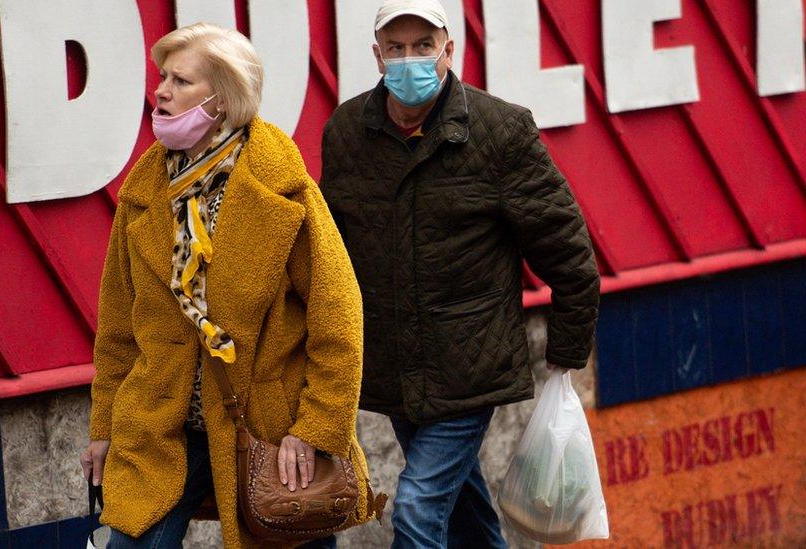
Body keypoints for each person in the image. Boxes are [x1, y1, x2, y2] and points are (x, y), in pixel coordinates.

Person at [80, 23, 376, 548]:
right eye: (163, 77)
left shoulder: (281, 187)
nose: (161, 91)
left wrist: (315, 428)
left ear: (223, 98)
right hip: (159, 423)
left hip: (267, 425)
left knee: (287, 536)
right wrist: (104, 429)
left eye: (181, 81)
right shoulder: (144, 193)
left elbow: (338, 313)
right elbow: (119, 329)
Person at [319, 1, 601, 547]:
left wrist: (564, 359)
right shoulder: (348, 132)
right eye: (395, 49)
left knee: (417, 507)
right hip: (393, 363)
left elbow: (568, 253)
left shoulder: (500, 131)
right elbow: (331, 254)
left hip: (472, 364)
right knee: (464, 504)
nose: (410, 60)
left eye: (424, 47)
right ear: (377, 57)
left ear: (450, 50)